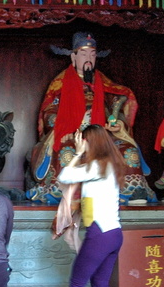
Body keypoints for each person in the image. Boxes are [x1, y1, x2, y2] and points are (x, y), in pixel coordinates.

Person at [26, 32, 156, 205]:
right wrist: (67, 127)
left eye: (92, 55)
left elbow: (115, 110)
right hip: (73, 133)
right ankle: (67, 192)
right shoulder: (61, 83)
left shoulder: (104, 83)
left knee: (128, 151)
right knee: (66, 151)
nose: (88, 58)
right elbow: (49, 112)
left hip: (102, 133)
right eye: (84, 54)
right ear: (73, 57)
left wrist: (118, 124)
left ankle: (130, 190)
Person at [51, 124, 131, 287]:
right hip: (114, 234)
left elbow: (65, 176)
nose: (80, 143)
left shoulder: (97, 166)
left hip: (100, 234)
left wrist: (76, 153)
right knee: (100, 283)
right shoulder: (110, 166)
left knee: (77, 281)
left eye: (82, 140)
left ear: (90, 142)